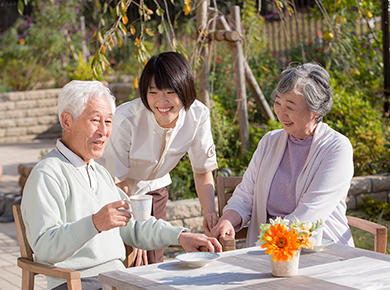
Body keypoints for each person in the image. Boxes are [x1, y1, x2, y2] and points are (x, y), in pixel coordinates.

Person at [21, 80, 221, 290]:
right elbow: (45, 248)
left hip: (116, 279)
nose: (104, 131)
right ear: (67, 121)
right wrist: (95, 223)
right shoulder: (47, 174)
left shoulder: (100, 173)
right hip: (76, 283)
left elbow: (133, 227)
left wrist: (181, 236)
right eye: (95, 120)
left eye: (108, 122)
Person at [211, 63, 354, 247]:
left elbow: (309, 214)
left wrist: (267, 243)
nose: (280, 113)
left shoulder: (337, 148)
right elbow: (246, 194)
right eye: (278, 103)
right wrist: (229, 219)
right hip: (269, 249)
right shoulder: (269, 142)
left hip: (319, 250)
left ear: (315, 112)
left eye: (290, 106)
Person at [100, 52, 219, 264]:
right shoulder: (125, 119)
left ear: (185, 90)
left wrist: (210, 213)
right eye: (153, 92)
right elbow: (120, 180)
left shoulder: (198, 115)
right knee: (128, 259)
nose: (161, 102)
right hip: (116, 192)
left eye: (170, 92)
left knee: (154, 260)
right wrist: (136, 230)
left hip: (154, 189)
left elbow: (202, 170)